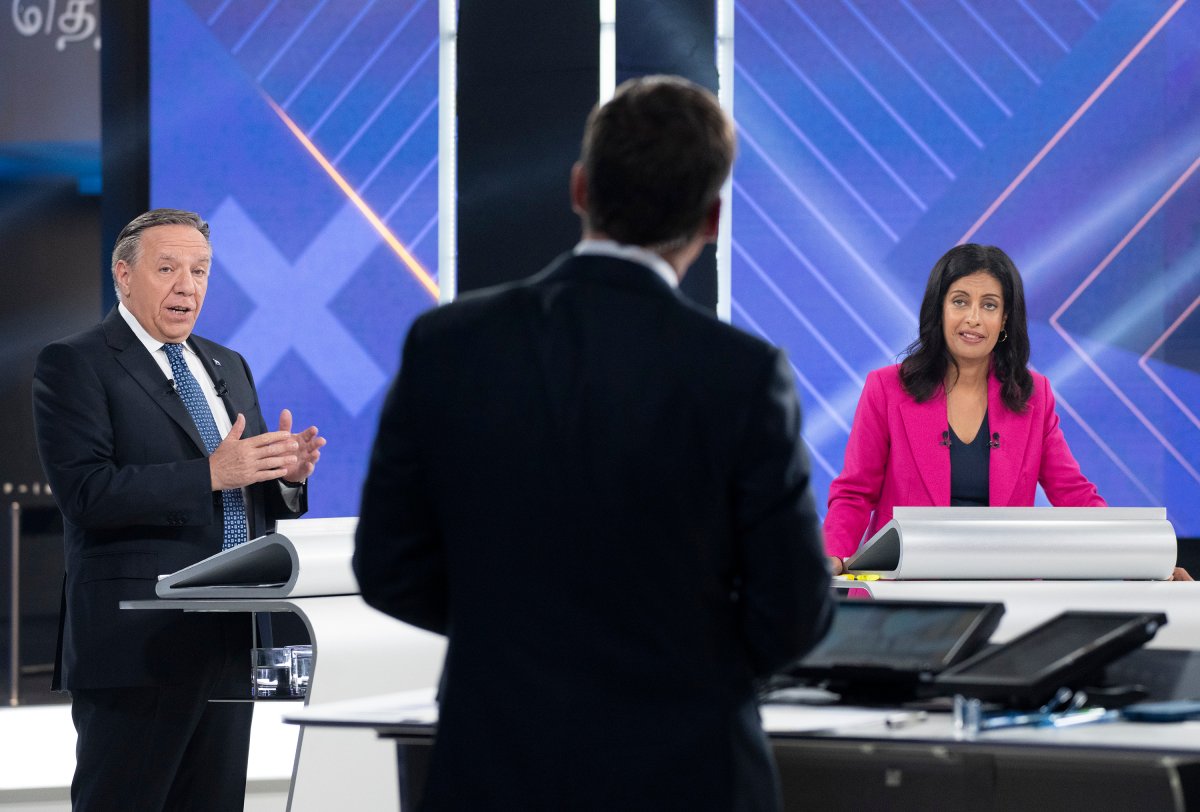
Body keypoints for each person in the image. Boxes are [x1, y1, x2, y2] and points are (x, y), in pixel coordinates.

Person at [354, 75, 834, 811]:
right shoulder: (740, 375)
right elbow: (794, 611)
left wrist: (517, 634)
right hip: (688, 775)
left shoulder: (448, 346)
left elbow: (389, 566)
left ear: (579, 188)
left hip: (493, 769)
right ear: (712, 217)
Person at [32, 209, 326, 811]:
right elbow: (86, 494)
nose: (186, 285)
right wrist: (212, 473)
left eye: (199, 270)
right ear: (123, 275)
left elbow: (245, 487)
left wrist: (286, 479)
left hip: (230, 637)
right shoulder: (76, 363)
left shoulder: (227, 364)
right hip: (139, 642)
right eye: (167, 268)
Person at [823, 243, 1191, 581]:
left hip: (1005, 595)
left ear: (1004, 320)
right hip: (903, 590)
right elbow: (855, 493)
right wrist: (832, 556)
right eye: (960, 301)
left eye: (989, 305)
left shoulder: (1033, 396)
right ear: (939, 309)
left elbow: (1073, 493)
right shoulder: (886, 388)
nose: (973, 318)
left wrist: (1140, 560)